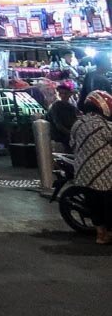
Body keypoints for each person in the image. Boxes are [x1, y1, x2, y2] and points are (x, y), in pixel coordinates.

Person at [71, 89, 112, 245]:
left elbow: (72, 144)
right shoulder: (104, 125)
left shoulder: (78, 123)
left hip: (83, 173)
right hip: (105, 175)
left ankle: (100, 235)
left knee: (94, 203)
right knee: (108, 203)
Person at [48, 83, 79, 151]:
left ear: (69, 94)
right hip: (60, 138)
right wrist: (71, 134)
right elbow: (58, 124)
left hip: (69, 136)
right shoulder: (55, 106)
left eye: (65, 93)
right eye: (61, 93)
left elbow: (75, 122)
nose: (63, 96)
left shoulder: (72, 107)